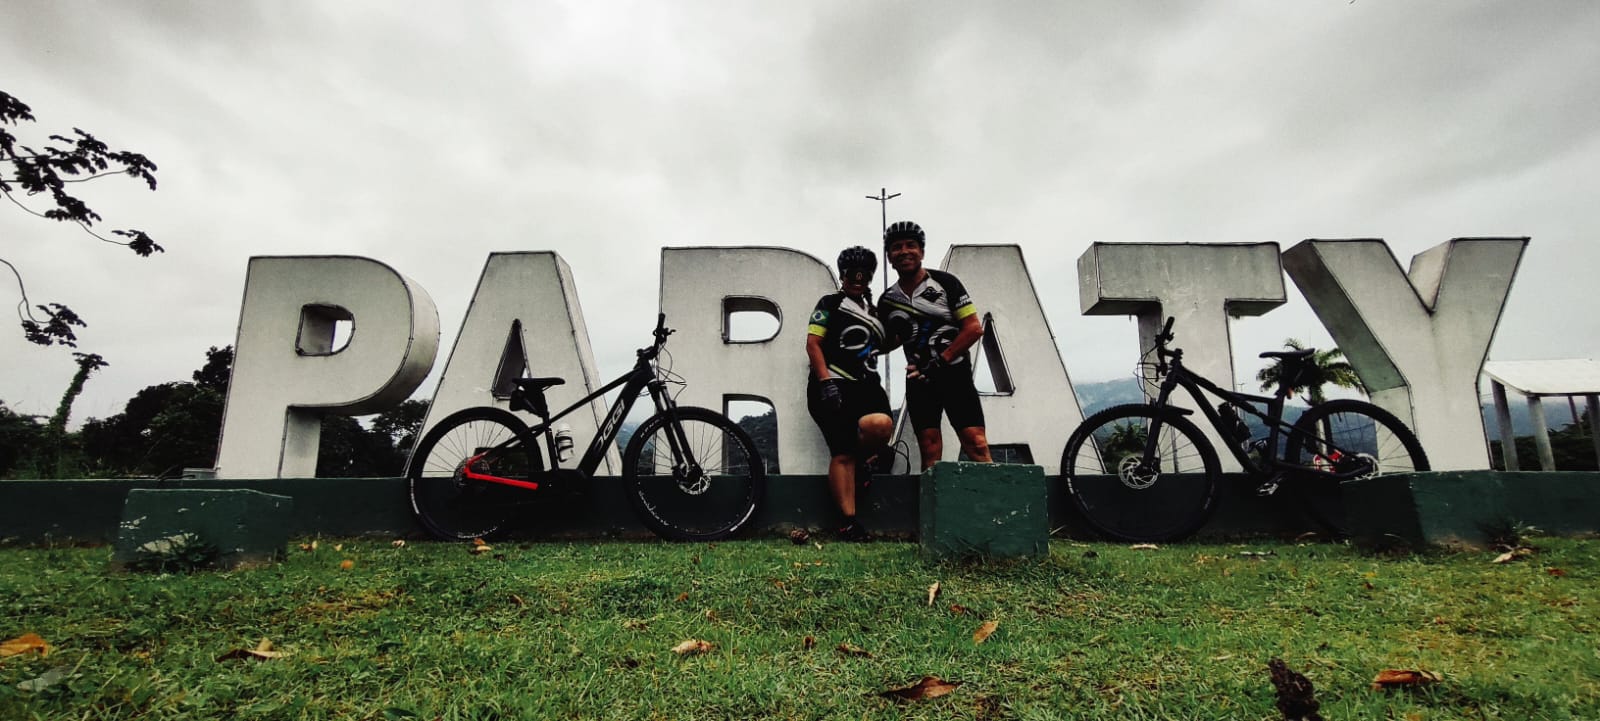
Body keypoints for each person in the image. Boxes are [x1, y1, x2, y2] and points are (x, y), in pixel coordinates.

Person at [877, 220, 992, 470]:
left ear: (922, 251)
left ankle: (996, 496)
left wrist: (940, 361)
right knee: (929, 450)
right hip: (919, 380)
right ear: (889, 257)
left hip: (954, 374)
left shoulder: (946, 283)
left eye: (911, 245)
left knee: (976, 443)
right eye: (896, 247)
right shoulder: (887, 300)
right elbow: (892, 341)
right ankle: (931, 496)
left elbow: (973, 328)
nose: (904, 251)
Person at [805, 246, 895, 542]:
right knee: (842, 451)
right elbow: (813, 344)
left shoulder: (874, 311)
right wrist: (825, 382)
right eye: (851, 275)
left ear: (869, 277)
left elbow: (887, 341)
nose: (857, 280)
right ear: (842, 275)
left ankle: (864, 465)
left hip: (867, 385)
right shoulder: (829, 303)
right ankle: (847, 523)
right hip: (832, 383)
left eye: (863, 275)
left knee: (881, 426)